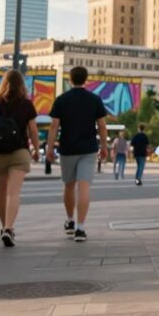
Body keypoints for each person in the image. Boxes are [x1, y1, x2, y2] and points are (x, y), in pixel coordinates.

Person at [0, 70, 40, 247]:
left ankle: (3, 226)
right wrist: (36, 149)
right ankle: (8, 227)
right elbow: (33, 131)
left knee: (1, 192)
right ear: (22, 84)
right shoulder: (27, 105)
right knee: (14, 193)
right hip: (19, 152)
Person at [47, 66, 108, 242]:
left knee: (68, 186)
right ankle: (81, 228)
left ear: (70, 80)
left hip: (67, 148)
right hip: (88, 148)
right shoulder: (95, 99)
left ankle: (70, 220)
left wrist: (50, 148)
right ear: (86, 79)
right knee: (84, 187)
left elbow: (54, 126)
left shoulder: (61, 100)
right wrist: (104, 146)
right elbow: (102, 125)